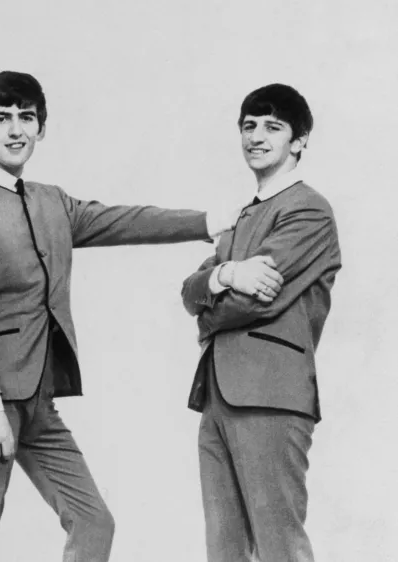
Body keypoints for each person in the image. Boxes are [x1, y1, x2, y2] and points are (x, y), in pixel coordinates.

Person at [0, 70, 236, 562]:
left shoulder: (50, 201)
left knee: (94, 522)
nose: (15, 130)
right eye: (1, 118)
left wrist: (204, 222)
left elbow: (123, 220)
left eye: (26, 118)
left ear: (40, 129)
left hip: (39, 400)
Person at [180, 83, 342, 562]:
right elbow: (189, 290)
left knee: (279, 546)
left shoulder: (308, 210)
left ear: (299, 141)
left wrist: (208, 304)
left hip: (271, 394)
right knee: (224, 549)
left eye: (273, 127)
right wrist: (225, 275)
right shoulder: (239, 219)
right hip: (217, 395)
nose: (257, 136)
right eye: (249, 126)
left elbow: (256, 304)